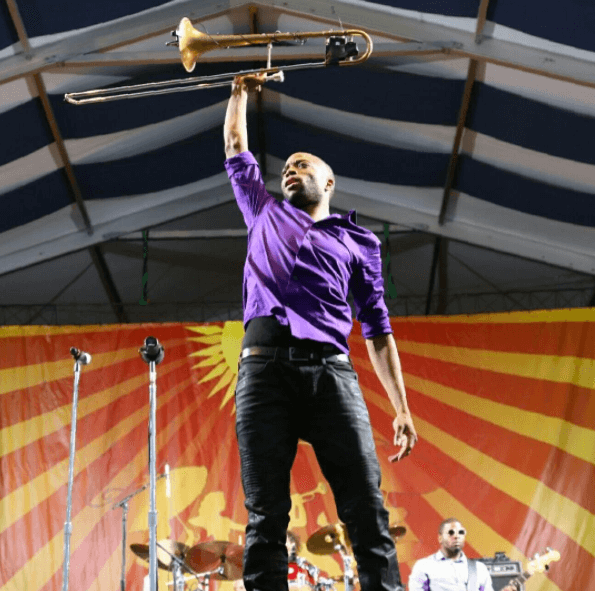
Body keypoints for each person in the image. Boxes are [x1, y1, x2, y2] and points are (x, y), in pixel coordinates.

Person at [223, 73, 417, 591]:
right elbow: (237, 148)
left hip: (332, 373)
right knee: (266, 516)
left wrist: (400, 407)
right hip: (263, 371)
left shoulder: (359, 243)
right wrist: (240, 92)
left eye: (301, 165)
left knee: (367, 509)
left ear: (327, 182)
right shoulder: (262, 211)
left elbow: (377, 330)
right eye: (286, 166)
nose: (290, 170)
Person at [408, 518, 517, 591]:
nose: (456, 536)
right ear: (440, 538)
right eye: (451, 532)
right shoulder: (423, 566)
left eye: (460, 532)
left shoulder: (479, 569)